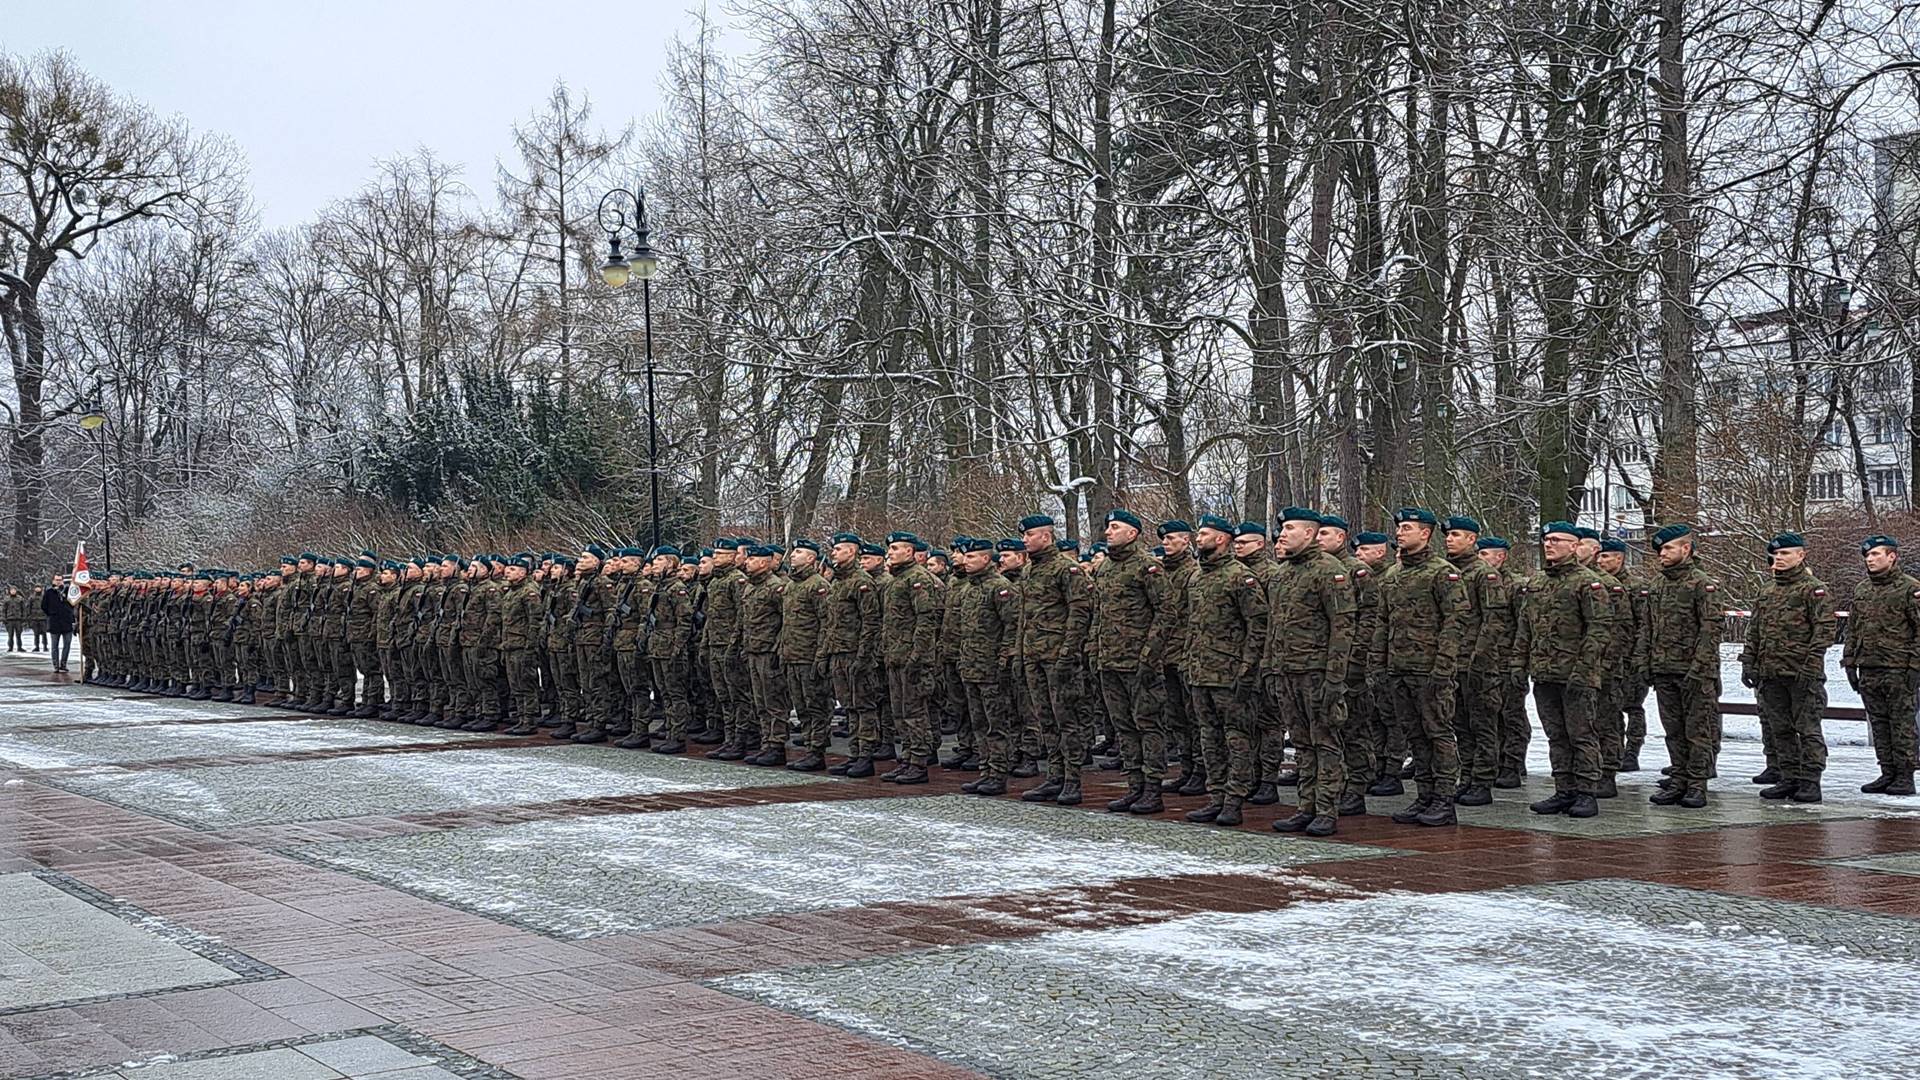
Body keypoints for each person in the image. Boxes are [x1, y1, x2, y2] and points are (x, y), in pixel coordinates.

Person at [1514, 521, 1612, 819]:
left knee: (1581, 734)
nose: (1549, 544)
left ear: (1574, 545)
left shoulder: (1587, 583)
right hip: (1545, 673)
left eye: (1556, 540)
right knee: (1556, 735)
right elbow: (1525, 628)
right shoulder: (1538, 583)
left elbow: (1599, 629)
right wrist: (1518, 663)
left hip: (1576, 674)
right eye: (1546, 540)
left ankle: (1586, 792)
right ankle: (1564, 789)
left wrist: (1584, 670)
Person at [1740, 532, 1836, 803]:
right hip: (1771, 673)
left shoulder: (1814, 589)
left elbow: (1824, 631)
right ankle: (1789, 777)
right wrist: (1749, 662)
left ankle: (1811, 781)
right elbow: (1755, 630)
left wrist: (1811, 665)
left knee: (1807, 729)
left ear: (1800, 555)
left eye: (1785, 553)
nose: (1779, 558)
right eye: (1776, 554)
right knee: (1779, 729)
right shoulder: (1767, 591)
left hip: (1801, 673)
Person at [1842, 534, 1919, 796]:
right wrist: (1850, 661)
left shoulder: (1910, 589)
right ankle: (1887, 772)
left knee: (1902, 724)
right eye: (1867, 555)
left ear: (1892, 556)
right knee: (1878, 723)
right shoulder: (1862, 589)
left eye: (1876, 554)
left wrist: (1914, 666)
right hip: (1869, 667)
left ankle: (1905, 775)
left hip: (1899, 668)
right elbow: (1853, 629)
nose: (1870, 559)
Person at [41, 574, 75, 673]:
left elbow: (74, 603)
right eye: (56, 580)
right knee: (54, 645)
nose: (58, 582)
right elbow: (44, 606)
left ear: (63, 581)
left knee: (67, 644)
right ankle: (56, 665)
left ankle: (63, 664)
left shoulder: (68, 591)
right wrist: (51, 613)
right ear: (53, 581)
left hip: (66, 621)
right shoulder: (49, 592)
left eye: (60, 580)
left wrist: (69, 613)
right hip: (54, 622)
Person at [3, 585, 26, 651]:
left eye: (14, 590)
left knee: (19, 635)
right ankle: (10, 647)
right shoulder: (6, 599)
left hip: (18, 619)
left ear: (16, 591)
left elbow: (23, 609)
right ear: (10, 591)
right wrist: (3, 618)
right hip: (9, 619)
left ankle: (19, 647)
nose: (13, 591)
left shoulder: (20, 599)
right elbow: (4, 610)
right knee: (10, 635)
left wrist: (24, 618)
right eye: (12, 590)